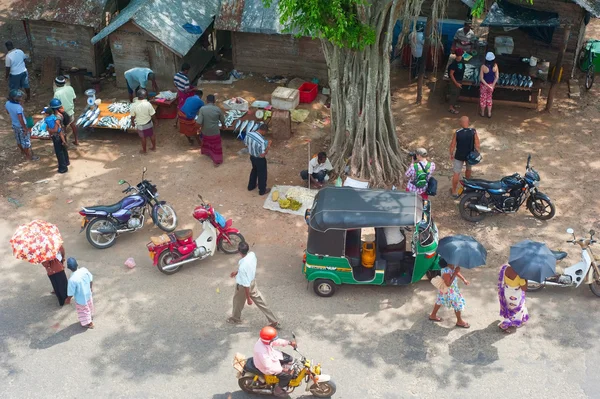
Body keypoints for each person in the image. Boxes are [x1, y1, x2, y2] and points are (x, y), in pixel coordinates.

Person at [227, 242, 279, 327]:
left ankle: (235, 318)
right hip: (252, 282)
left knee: (237, 301)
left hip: (243, 287)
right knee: (260, 301)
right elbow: (246, 270)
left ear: (239, 251)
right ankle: (274, 321)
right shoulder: (252, 255)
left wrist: (248, 299)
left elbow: (246, 285)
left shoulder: (243, 266)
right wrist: (237, 272)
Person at [253, 326, 296, 397]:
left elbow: (276, 341)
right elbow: (268, 366)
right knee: (287, 376)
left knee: (290, 358)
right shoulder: (262, 352)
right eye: (272, 339)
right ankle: (278, 390)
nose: (274, 340)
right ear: (268, 340)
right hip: (266, 367)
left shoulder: (264, 340)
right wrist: (283, 370)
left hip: (272, 355)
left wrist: (289, 343)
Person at [429, 261, 470, 328]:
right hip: (449, 291)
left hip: (446, 290)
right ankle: (459, 321)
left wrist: (463, 279)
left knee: (439, 300)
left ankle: (433, 315)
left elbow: (455, 273)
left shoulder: (451, 267)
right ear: (448, 262)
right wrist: (455, 273)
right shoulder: (446, 271)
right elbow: (448, 284)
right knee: (458, 304)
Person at [449, 116, 480, 198]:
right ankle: (467, 186)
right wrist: (477, 152)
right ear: (468, 122)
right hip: (470, 155)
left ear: (460, 123)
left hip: (459, 155)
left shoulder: (457, 132)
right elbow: (477, 143)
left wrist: (451, 154)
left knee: (456, 173)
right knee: (468, 169)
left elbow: (453, 145)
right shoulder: (473, 131)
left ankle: (454, 191)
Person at [5, 89, 38, 161]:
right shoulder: (18, 107)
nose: (21, 99)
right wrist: (25, 128)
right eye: (19, 97)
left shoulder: (7, 103)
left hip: (14, 124)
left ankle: (22, 152)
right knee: (26, 142)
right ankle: (28, 156)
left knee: (19, 140)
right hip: (21, 126)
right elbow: (20, 118)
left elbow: (7, 112)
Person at [497, 264, 528, 334]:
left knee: (508, 307)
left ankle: (508, 320)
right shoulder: (521, 276)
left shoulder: (505, 268)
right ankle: (507, 323)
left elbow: (502, 281)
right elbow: (524, 288)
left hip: (507, 292)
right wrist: (526, 279)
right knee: (516, 309)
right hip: (515, 295)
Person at [65, 258, 95, 329]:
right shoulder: (84, 270)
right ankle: (90, 316)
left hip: (81, 298)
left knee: (83, 310)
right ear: (77, 264)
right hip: (88, 293)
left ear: (69, 268)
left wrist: (68, 299)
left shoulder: (72, 280)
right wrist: (90, 287)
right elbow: (91, 279)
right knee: (89, 304)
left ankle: (89, 323)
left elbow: (71, 292)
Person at [197, 94, 225, 166]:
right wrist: (223, 126)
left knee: (206, 142)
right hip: (215, 132)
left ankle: (207, 152)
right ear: (214, 101)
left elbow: (199, 122)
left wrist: (199, 129)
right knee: (216, 145)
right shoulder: (218, 109)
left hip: (205, 132)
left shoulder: (202, 109)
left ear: (206, 101)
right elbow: (222, 120)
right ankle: (217, 160)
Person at [245, 123, 271, 196]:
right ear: (264, 131)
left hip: (252, 157)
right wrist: (268, 145)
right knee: (262, 174)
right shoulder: (262, 141)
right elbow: (262, 154)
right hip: (260, 159)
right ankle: (262, 190)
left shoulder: (249, 134)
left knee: (254, 170)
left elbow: (246, 144)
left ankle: (251, 186)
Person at [129, 89, 157, 154]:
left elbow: (132, 116)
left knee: (143, 137)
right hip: (148, 122)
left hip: (140, 124)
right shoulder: (148, 104)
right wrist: (156, 121)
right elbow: (152, 114)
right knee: (151, 135)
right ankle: (154, 147)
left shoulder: (133, 105)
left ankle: (144, 151)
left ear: (137, 96)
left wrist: (132, 122)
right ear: (145, 96)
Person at [53, 76, 79, 145]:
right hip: (70, 111)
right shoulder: (70, 88)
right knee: (73, 124)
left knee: (63, 128)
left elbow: (56, 104)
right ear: (64, 82)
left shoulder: (57, 93)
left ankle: (65, 142)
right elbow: (74, 99)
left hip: (62, 113)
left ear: (56, 84)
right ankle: (76, 140)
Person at [45, 103, 69, 173]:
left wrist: (49, 130)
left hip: (57, 136)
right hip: (62, 134)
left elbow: (55, 129)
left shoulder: (56, 117)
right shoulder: (60, 115)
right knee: (64, 149)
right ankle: (66, 162)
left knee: (59, 152)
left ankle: (63, 168)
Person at [174, 63, 195, 127]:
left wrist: (179, 88)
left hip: (180, 92)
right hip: (185, 94)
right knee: (184, 108)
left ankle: (176, 122)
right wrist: (194, 89)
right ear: (186, 70)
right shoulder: (186, 79)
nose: (188, 72)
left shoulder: (176, 75)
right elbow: (186, 91)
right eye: (188, 70)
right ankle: (187, 121)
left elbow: (175, 84)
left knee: (180, 106)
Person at [479, 52, 499, 118]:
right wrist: (492, 85)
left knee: (483, 98)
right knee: (489, 98)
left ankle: (482, 113)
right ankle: (489, 113)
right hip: (491, 85)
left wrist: (487, 85)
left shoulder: (483, 67)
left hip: (484, 85)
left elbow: (481, 78)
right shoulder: (495, 66)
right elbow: (497, 77)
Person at [447, 48, 465, 114]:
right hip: (455, 80)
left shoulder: (462, 60)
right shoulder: (454, 64)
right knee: (454, 94)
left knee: (457, 93)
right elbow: (451, 74)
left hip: (459, 79)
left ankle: (454, 104)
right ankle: (451, 108)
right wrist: (456, 83)